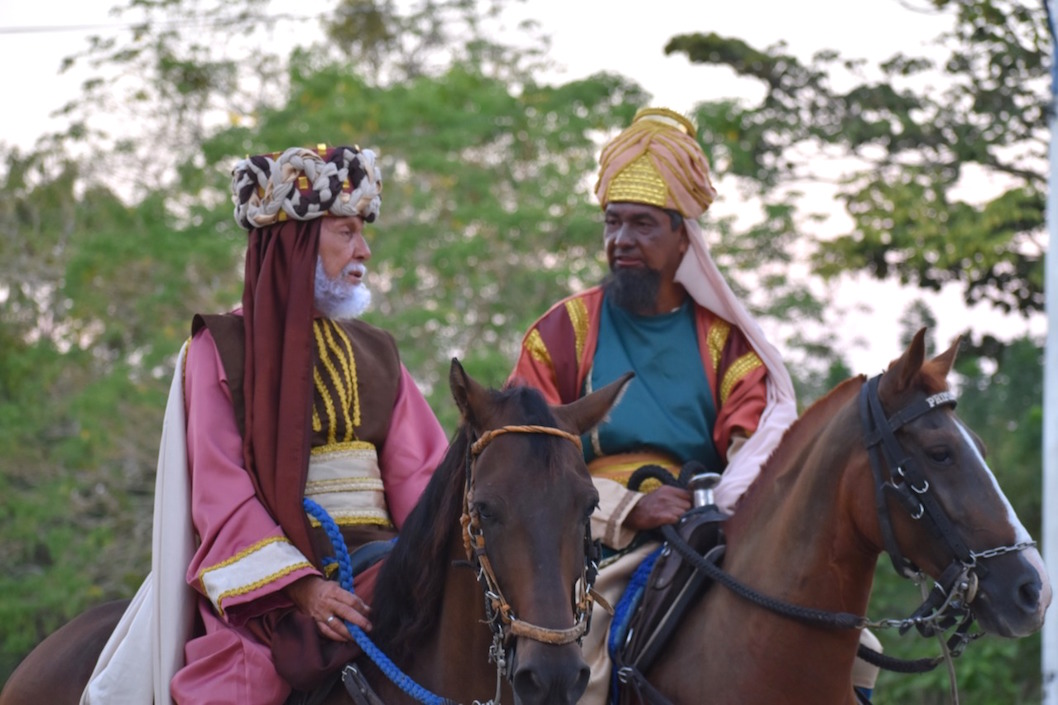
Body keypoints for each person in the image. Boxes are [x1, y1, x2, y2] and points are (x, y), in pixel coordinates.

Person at [509, 108, 881, 705]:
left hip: (706, 536)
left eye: (643, 225)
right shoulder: (564, 331)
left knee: (852, 649)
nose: (622, 241)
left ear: (684, 236)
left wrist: (714, 511)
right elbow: (526, 463)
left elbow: (760, 454)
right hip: (583, 543)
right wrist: (629, 507)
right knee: (585, 665)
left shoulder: (725, 342)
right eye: (613, 223)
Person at [81, 144, 450, 705]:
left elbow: (425, 476)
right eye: (346, 232)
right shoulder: (218, 347)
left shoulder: (379, 350)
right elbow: (219, 492)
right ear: (296, 242)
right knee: (239, 687)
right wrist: (304, 589)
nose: (365, 251)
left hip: (388, 570)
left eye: (362, 233)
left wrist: (434, 566)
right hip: (272, 597)